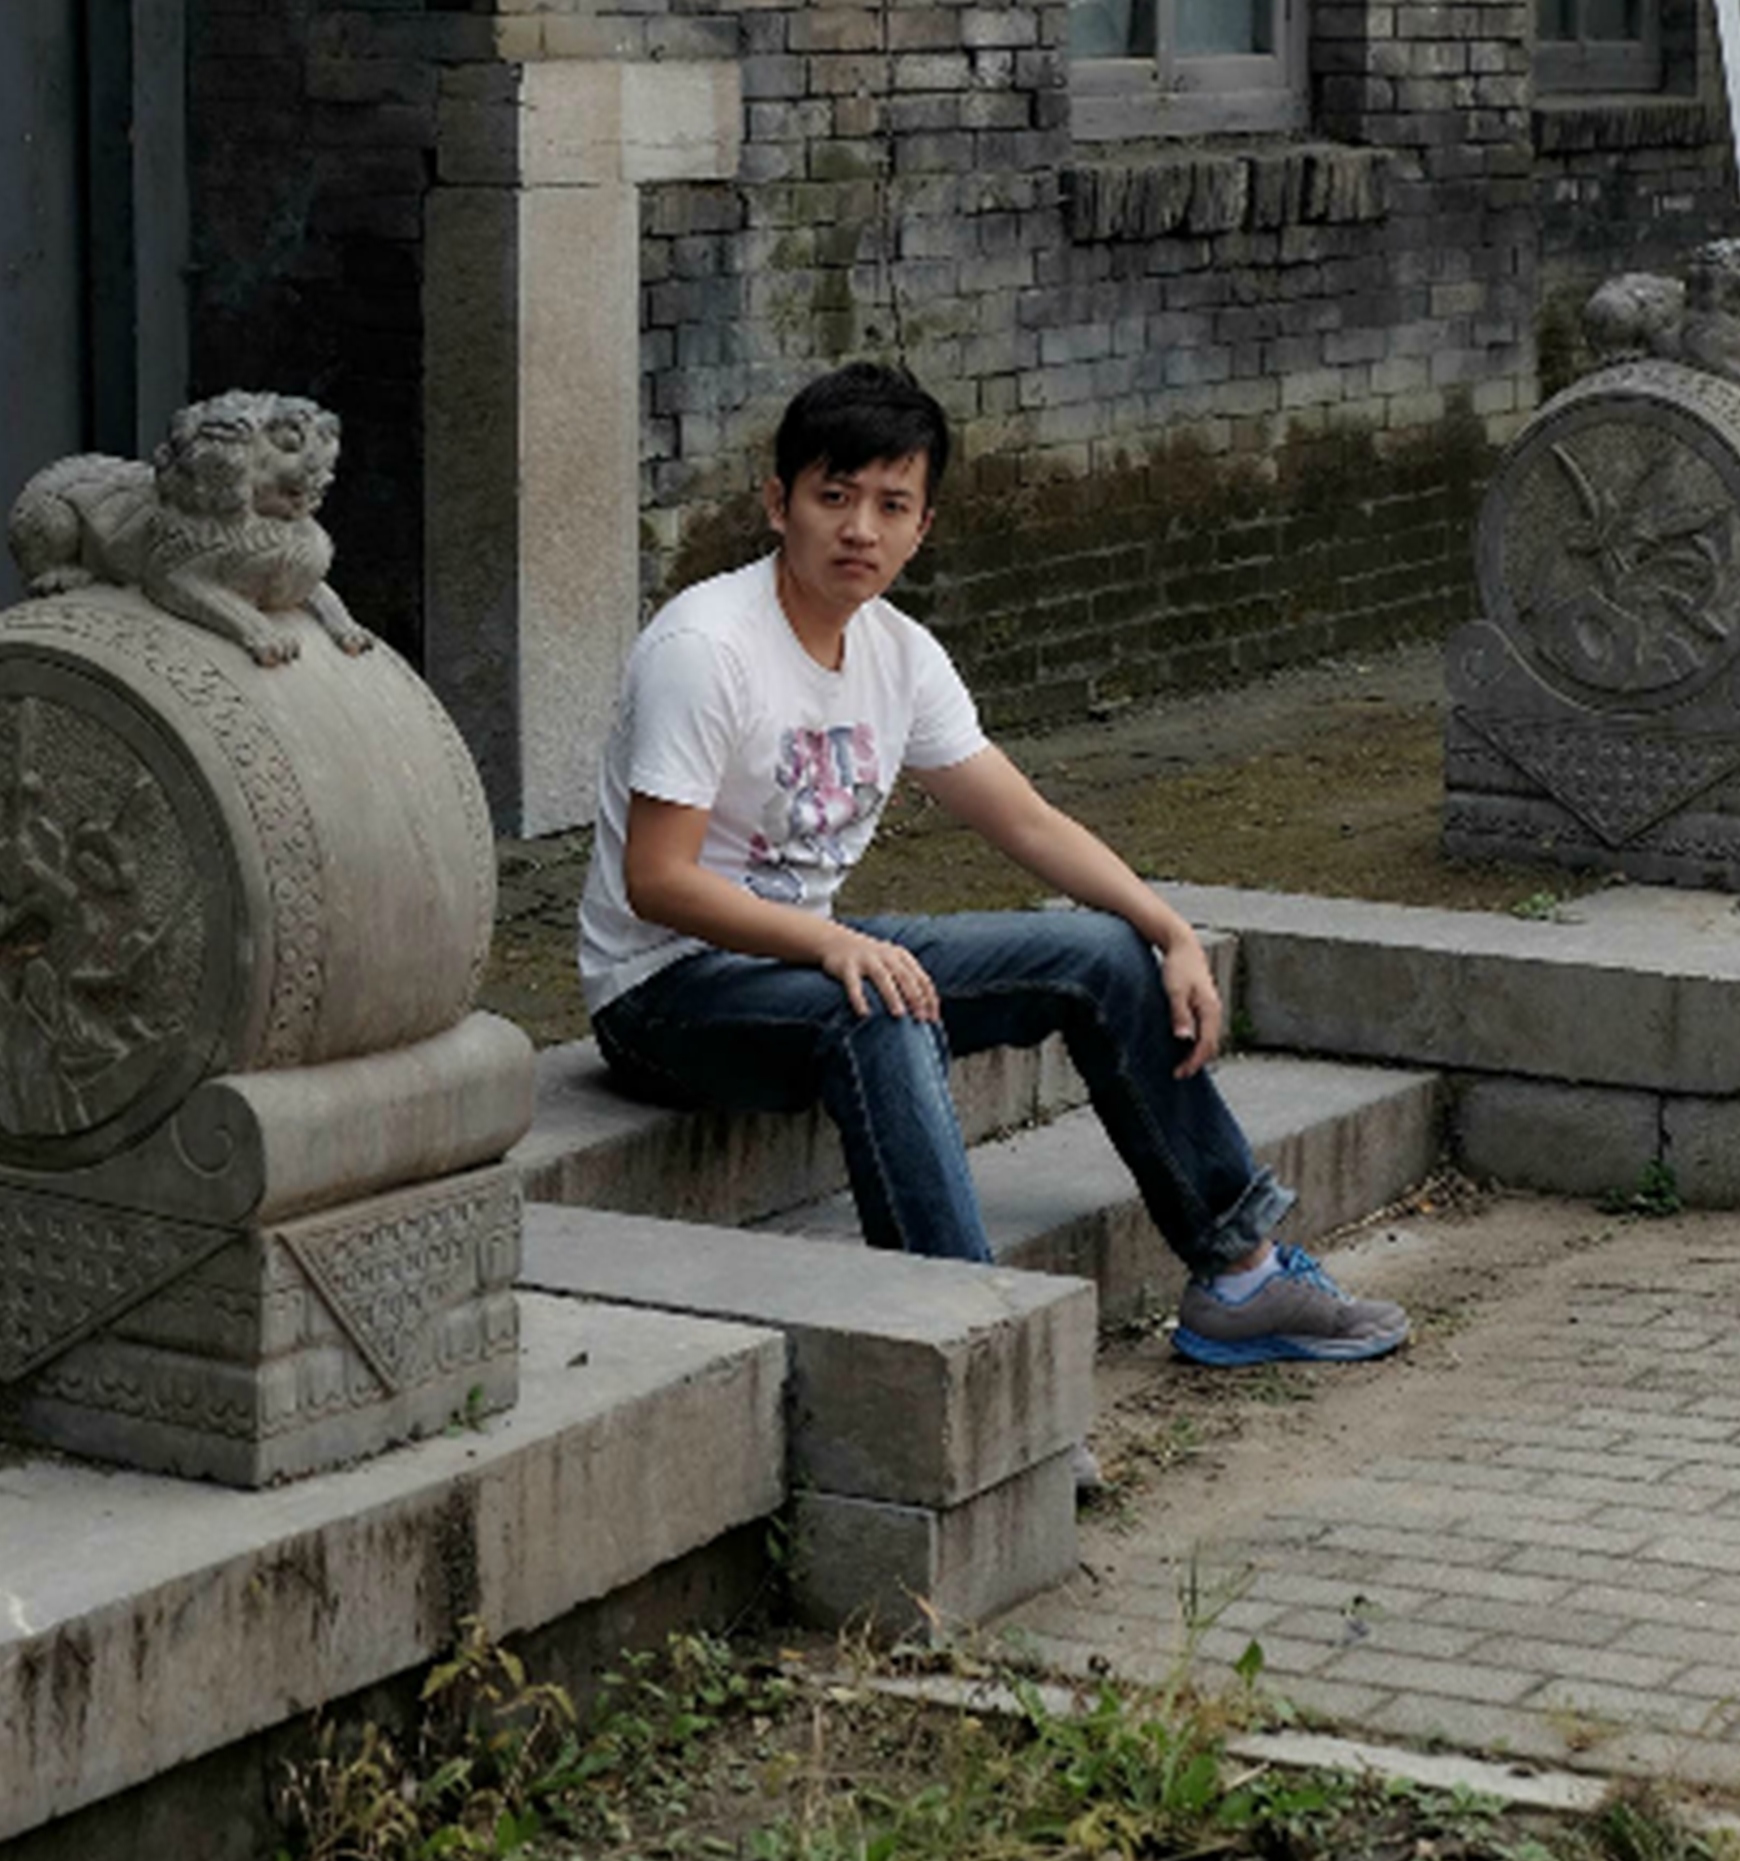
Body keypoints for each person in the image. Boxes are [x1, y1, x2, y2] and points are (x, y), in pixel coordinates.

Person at [578, 361, 1408, 1373]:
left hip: (807, 959)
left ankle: (1241, 1276)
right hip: (664, 994)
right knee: (881, 1010)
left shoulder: (899, 654)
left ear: (922, 527)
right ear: (777, 503)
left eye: (891, 506)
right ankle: (972, 1349)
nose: (859, 529)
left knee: (1100, 956)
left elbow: (1026, 823)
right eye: (833, 497)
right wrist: (832, 945)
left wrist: (1169, 931)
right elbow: (658, 881)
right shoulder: (705, 647)